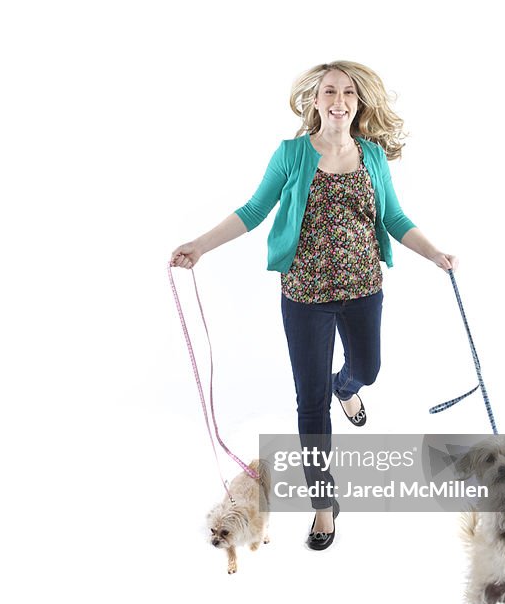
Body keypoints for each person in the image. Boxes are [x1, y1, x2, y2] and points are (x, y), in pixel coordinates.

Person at [170, 60, 458, 551]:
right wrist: (198, 246)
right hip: (305, 297)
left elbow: (393, 215)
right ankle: (323, 507)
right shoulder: (291, 155)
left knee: (368, 367)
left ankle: (346, 387)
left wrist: (434, 253)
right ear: (316, 100)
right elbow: (254, 210)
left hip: (364, 288)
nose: (339, 100)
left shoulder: (372, 157)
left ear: (359, 102)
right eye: (330, 91)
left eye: (348, 92)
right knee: (310, 405)